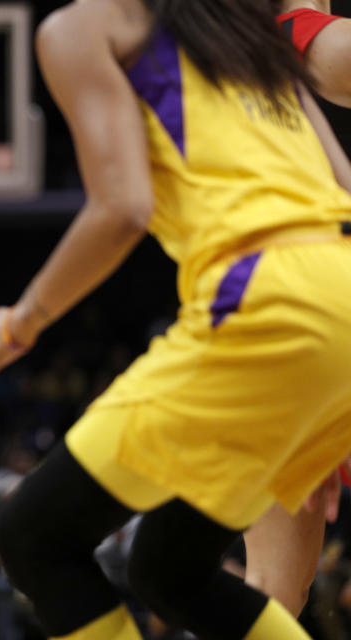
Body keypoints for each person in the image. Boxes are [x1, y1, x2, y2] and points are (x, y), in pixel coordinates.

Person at [0, 1, 351, 639]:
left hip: (266, 300)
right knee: (170, 569)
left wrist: (17, 324)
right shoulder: (242, 27)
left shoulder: (83, 26)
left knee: (33, 535)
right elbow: (343, 184)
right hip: (338, 293)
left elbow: (122, 209)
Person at [240, 0, 351, 617]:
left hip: (273, 327)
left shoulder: (236, 56)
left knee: (274, 594)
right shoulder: (302, 40)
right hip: (322, 324)